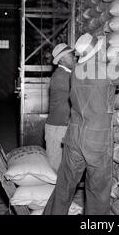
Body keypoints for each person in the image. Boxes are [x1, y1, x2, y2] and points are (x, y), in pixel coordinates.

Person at [43, 33, 119, 215]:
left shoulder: (76, 73)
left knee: (64, 186)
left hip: (73, 137)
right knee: (97, 192)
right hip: (96, 140)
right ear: (97, 51)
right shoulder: (104, 70)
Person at [44, 43, 75, 171]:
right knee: (54, 168)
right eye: (71, 56)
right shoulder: (61, 76)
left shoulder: (68, 74)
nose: (74, 58)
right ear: (62, 59)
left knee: (64, 168)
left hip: (64, 126)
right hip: (57, 128)